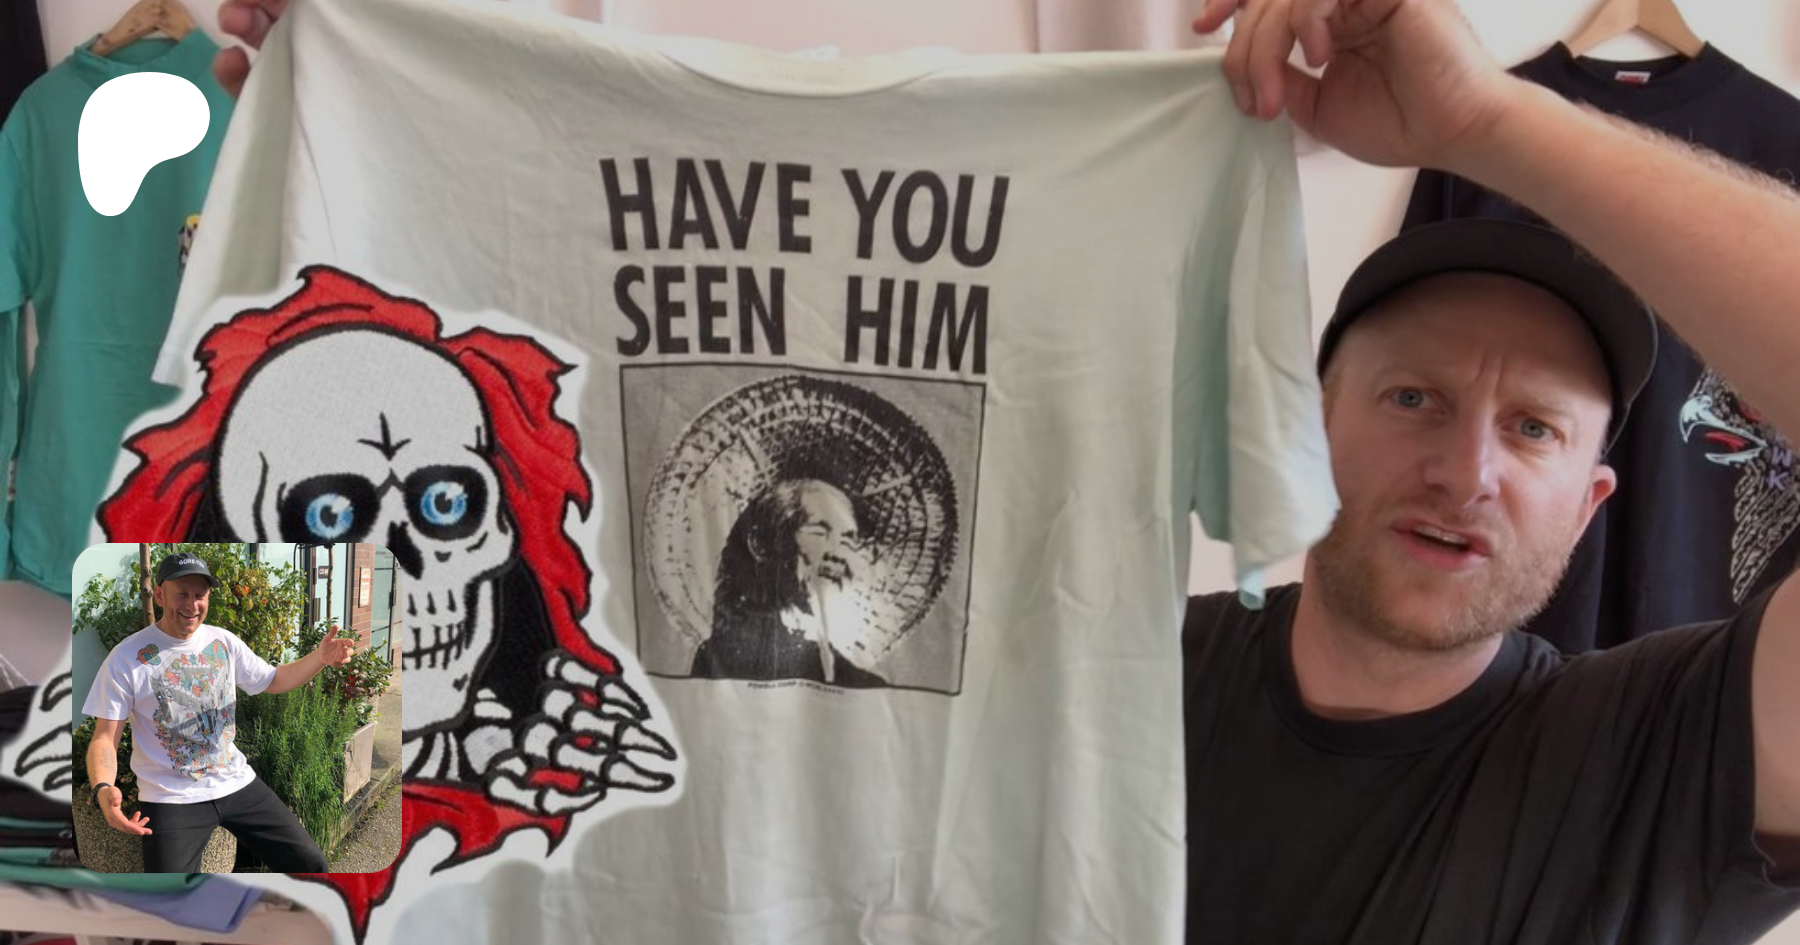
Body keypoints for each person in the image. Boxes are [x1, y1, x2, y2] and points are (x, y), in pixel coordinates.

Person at [208, 0, 1800, 938]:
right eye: (1411, 395)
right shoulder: (1109, 664)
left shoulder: (1652, 760)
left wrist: (1487, 122)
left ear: (1600, 494)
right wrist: (341, 124)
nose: (1465, 464)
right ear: (1293, 417)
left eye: (1536, 429)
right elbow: (188, 795)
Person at [81, 552, 354, 872]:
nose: (192, 604)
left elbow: (273, 680)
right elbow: (104, 738)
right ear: (159, 594)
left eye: (200, 595)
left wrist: (319, 658)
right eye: (182, 594)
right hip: (171, 796)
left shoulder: (223, 641)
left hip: (235, 781)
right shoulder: (126, 658)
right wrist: (103, 787)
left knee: (310, 863)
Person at [693, 478, 886, 687]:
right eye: (818, 532)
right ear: (771, 542)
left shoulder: (869, 686)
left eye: (847, 540)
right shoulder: (721, 660)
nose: (836, 552)